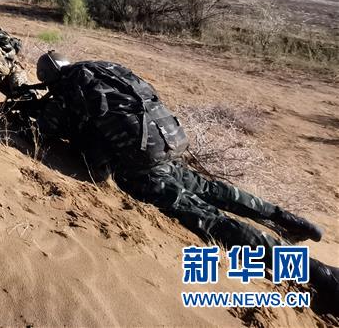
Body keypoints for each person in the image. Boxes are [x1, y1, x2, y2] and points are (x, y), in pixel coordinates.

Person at [26, 50, 338, 309]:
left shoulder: (68, 91)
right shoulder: (100, 70)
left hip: (140, 165)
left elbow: (47, 129)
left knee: (212, 220)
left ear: (49, 79)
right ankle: (286, 218)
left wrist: (38, 111)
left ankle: (317, 274)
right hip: (166, 140)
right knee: (212, 189)